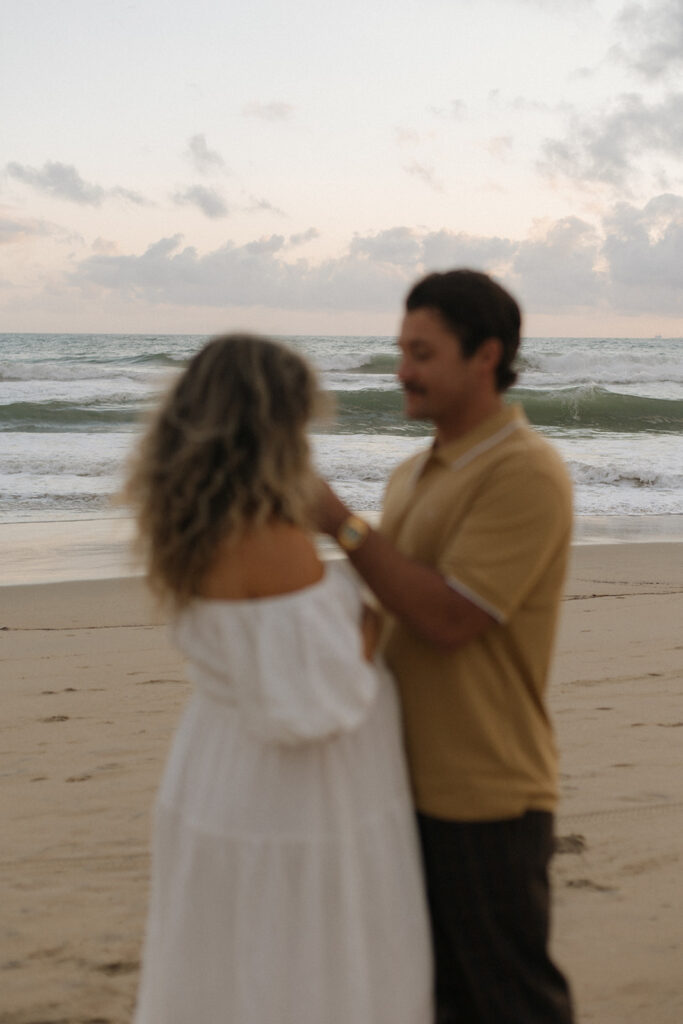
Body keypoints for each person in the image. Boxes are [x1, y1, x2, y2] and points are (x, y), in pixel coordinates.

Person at [126, 333, 432, 1024]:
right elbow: (316, 698)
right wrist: (368, 624)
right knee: (303, 967)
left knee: (226, 961)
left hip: (218, 766)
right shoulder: (268, 540)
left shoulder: (188, 525)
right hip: (295, 795)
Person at [316, 270, 575, 1024]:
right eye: (401, 350)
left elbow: (452, 619)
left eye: (422, 353)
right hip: (400, 786)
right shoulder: (410, 472)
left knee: (509, 1004)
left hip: (486, 792)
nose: (402, 370)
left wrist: (339, 522)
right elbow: (386, 613)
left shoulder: (524, 470)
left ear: (484, 356)